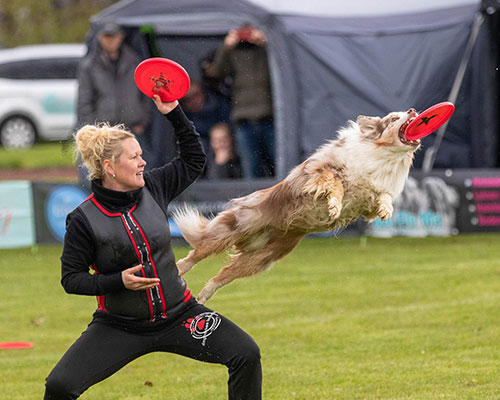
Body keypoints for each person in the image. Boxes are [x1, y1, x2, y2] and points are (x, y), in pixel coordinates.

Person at [44, 95, 262, 399]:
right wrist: (117, 281)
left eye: (140, 154)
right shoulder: (83, 219)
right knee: (59, 387)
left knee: (246, 354)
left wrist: (174, 113)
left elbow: (193, 160)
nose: (143, 162)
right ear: (109, 167)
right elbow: (71, 279)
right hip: (121, 326)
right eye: (133, 157)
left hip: (181, 315)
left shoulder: (154, 186)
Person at [76, 22, 151, 185]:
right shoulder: (89, 66)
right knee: (99, 174)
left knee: (138, 172)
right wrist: (93, 129)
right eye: (106, 36)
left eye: (114, 36)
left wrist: (142, 119)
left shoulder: (135, 61)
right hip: (104, 131)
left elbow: (146, 95)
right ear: (99, 38)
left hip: (133, 128)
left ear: (121, 37)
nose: (110, 41)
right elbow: (84, 101)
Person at [214, 24, 275, 179]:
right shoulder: (234, 53)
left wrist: (268, 42)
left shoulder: (265, 51)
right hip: (244, 120)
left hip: (269, 117)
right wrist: (226, 47)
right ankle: (253, 202)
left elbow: (282, 67)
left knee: (279, 165)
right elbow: (217, 72)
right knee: (250, 169)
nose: (246, 35)